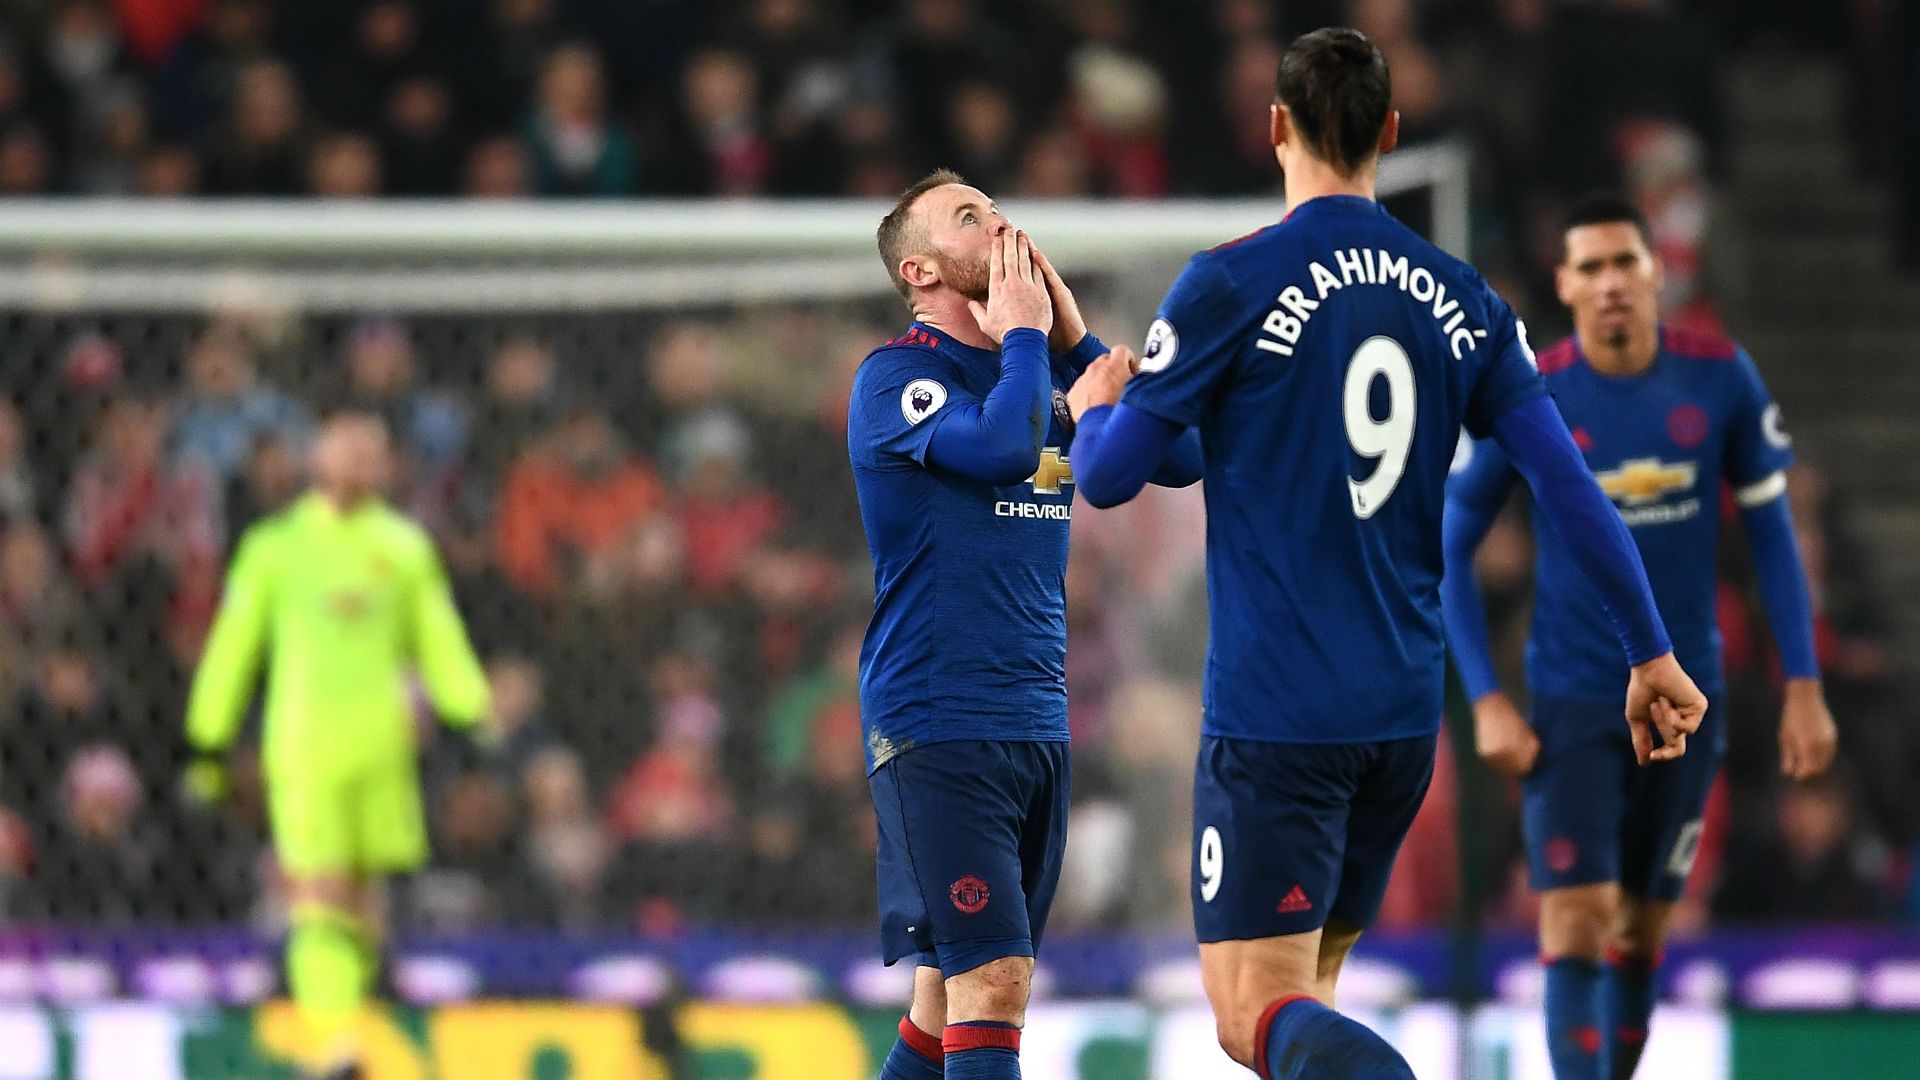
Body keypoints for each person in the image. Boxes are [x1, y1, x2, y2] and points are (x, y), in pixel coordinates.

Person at [1066, 29, 1709, 1080]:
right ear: (1391, 134)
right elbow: (1566, 489)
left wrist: (1096, 407)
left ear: (1275, 128)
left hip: (1279, 718)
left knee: (1248, 1014)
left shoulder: (1229, 283)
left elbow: (1107, 476)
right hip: (1403, 721)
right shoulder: (1467, 300)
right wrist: (1652, 651)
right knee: (1310, 999)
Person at [1440, 195, 1837, 1080]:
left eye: (1626, 263)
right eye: (1591, 267)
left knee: (1644, 932)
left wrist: (1804, 684)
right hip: (1572, 704)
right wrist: (1488, 700)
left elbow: (1772, 535)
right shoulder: (1531, 391)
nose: (1611, 283)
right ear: (1564, 284)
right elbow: (1450, 546)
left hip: (1687, 703)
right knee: (1575, 918)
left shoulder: (1721, 379)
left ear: (1658, 273)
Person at [850, 169, 1201, 1080]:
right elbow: (1005, 449)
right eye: (972, 218)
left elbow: (1185, 456)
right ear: (922, 271)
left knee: (945, 1008)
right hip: (940, 718)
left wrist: (1077, 337)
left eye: (1001, 211)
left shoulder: (1041, 367)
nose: (1003, 227)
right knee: (994, 984)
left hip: (1037, 722)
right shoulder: (896, 378)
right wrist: (1025, 339)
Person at [184, 413, 490, 1080]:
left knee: (364, 895)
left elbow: (438, 640)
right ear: (315, 455)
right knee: (318, 890)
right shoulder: (277, 548)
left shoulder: (403, 547)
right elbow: (234, 646)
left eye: (374, 450)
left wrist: (472, 714)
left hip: (382, 748)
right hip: (305, 745)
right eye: (348, 446)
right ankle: (334, 1047)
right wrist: (209, 735)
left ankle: (351, 1031)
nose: (361, 460)